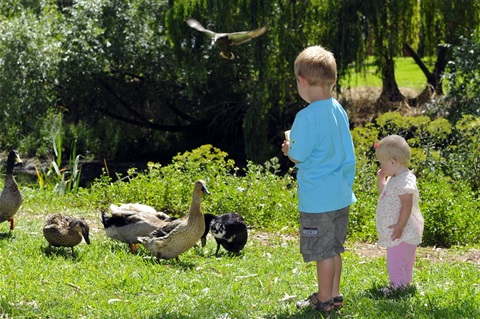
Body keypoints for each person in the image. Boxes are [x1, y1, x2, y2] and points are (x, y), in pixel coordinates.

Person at [281, 45, 356, 312]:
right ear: (333, 80)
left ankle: (323, 299)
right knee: (334, 248)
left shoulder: (306, 116)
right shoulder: (338, 109)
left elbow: (299, 155)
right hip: (340, 194)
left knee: (322, 252)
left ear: (301, 81)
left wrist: (289, 148)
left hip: (318, 199)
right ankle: (334, 295)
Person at [374, 135, 424, 295]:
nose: (381, 166)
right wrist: (381, 180)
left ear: (393, 162)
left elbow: (406, 204)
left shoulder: (405, 182)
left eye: (382, 163)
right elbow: (384, 194)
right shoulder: (395, 178)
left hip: (403, 231)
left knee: (395, 262)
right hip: (403, 232)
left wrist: (400, 225)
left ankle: (397, 286)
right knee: (405, 262)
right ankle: (404, 284)